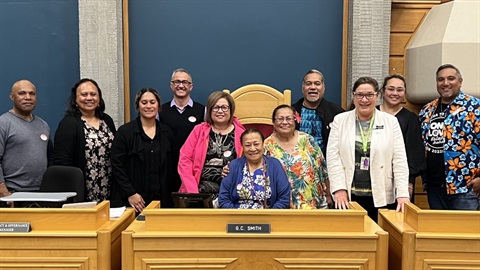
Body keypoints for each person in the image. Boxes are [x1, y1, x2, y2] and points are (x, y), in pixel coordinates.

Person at [327, 77, 409, 222]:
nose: (364, 100)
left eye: (369, 95)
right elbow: (333, 158)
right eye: (360, 95)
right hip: (348, 195)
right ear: (354, 96)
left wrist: (402, 194)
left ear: (377, 96)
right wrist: (339, 189)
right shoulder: (340, 120)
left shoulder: (391, 122)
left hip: (381, 193)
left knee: (380, 239)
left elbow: (400, 160)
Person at [419, 64, 480, 210]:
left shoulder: (474, 107)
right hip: (435, 187)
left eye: (450, 78)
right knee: (439, 232)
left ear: (460, 81)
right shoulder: (427, 110)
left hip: (465, 187)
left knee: (464, 232)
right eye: (441, 79)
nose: (445, 83)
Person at [111, 88, 176, 212]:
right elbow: (117, 166)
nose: (148, 106)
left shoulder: (167, 133)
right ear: (138, 105)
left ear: (158, 105)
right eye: (144, 102)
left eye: (152, 102)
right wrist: (130, 193)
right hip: (133, 201)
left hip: (162, 201)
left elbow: (173, 166)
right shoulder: (125, 132)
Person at [54, 78, 116, 202]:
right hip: (82, 191)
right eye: (84, 94)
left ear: (99, 99)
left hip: (108, 187)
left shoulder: (107, 120)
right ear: (75, 100)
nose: (89, 98)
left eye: (93, 94)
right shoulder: (68, 124)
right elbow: (63, 163)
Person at [264, 104, 331, 209]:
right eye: (280, 119)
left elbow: (323, 169)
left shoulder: (307, 139)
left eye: (289, 118)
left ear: (295, 120)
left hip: (312, 203)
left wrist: (328, 194)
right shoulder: (266, 145)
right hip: (280, 205)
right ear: (273, 122)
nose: (285, 122)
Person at [178, 91, 245, 195]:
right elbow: (184, 160)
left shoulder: (242, 134)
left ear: (231, 110)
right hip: (199, 193)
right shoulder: (198, 130)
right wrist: (193, 191)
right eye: (215, 107)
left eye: (224, 107)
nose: (220, 111)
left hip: (232, 194)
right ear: (209, 110)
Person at [0, 80, 53, 207]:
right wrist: (3, 192)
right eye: (22, 93)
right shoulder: (3, 123)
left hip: (40, 195)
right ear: (12, 97)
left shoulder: (43, 125)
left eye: (32, 93)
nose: (28, 97)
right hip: (13, 194)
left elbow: (50, 158)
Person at [378, 74, 426, 203]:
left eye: (400, 90)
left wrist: (408, 184)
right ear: (382, 91)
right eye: (391, 89)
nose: (395, 93)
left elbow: (415, 155)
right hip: (374, 178)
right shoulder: (372, 114)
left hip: (400, 182)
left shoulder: (411, 119)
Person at [219, 128, 291, 209]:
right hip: (236, 217)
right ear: (242, 146)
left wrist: (270, 216)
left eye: (256, 144)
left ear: (263, 144)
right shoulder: (234, 166)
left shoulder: (274, 165)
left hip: (268, 218)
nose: (252, 149)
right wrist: (237, 217)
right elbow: (223, 199)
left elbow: (284, 199)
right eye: (247, 145)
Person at [159, 68, 205, 191]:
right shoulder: (160, 111)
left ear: (191, 87)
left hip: (193, 168)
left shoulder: (202, 111)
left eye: (185, 82)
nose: (181, 85)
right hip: (167, 167)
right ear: (171, 85)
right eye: (177, 82)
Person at [292, 69, 344, 153]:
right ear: (303, 88)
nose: (312, 87)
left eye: (317, 84)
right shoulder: (291, 112)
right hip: (297, 162)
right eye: (308, 84)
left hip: (328, 163)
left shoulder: (337, 113)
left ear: (323, 88)